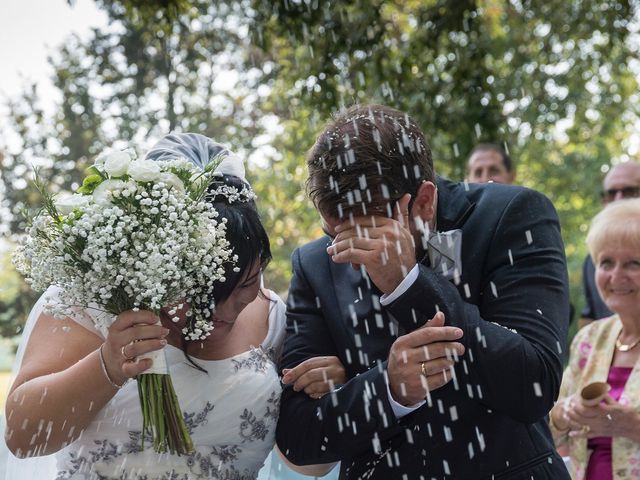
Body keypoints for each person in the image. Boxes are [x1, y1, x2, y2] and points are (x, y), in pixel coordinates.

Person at [3, 133, 342, 480]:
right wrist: (107, 366)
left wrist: (330, 395)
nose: (223, 312)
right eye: (201, 292)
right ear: (161, 265)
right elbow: (23, 438)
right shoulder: (89, 301)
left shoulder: (274, 320)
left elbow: (311, 464)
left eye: (245, 284)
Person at [276, 104, 571, 479]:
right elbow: (299, 439)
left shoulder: (512, 214)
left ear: (425, 201)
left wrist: (407, 285)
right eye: (334, 235)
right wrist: (387, 389)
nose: (350, 259)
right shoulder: (314, 265)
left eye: (369, 237)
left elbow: (534, 383)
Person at [549, 198, 640, 480]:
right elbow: (547, 425)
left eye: (633, 263)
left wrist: (629, 424)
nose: (616, 276)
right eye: (606, 262)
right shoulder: (590, 338)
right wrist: (567, 413)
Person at [578, 161, 640, 330]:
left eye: (630, 191)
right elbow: (588, 317)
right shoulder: (591, 262)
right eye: (611, 193)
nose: (618, 199)